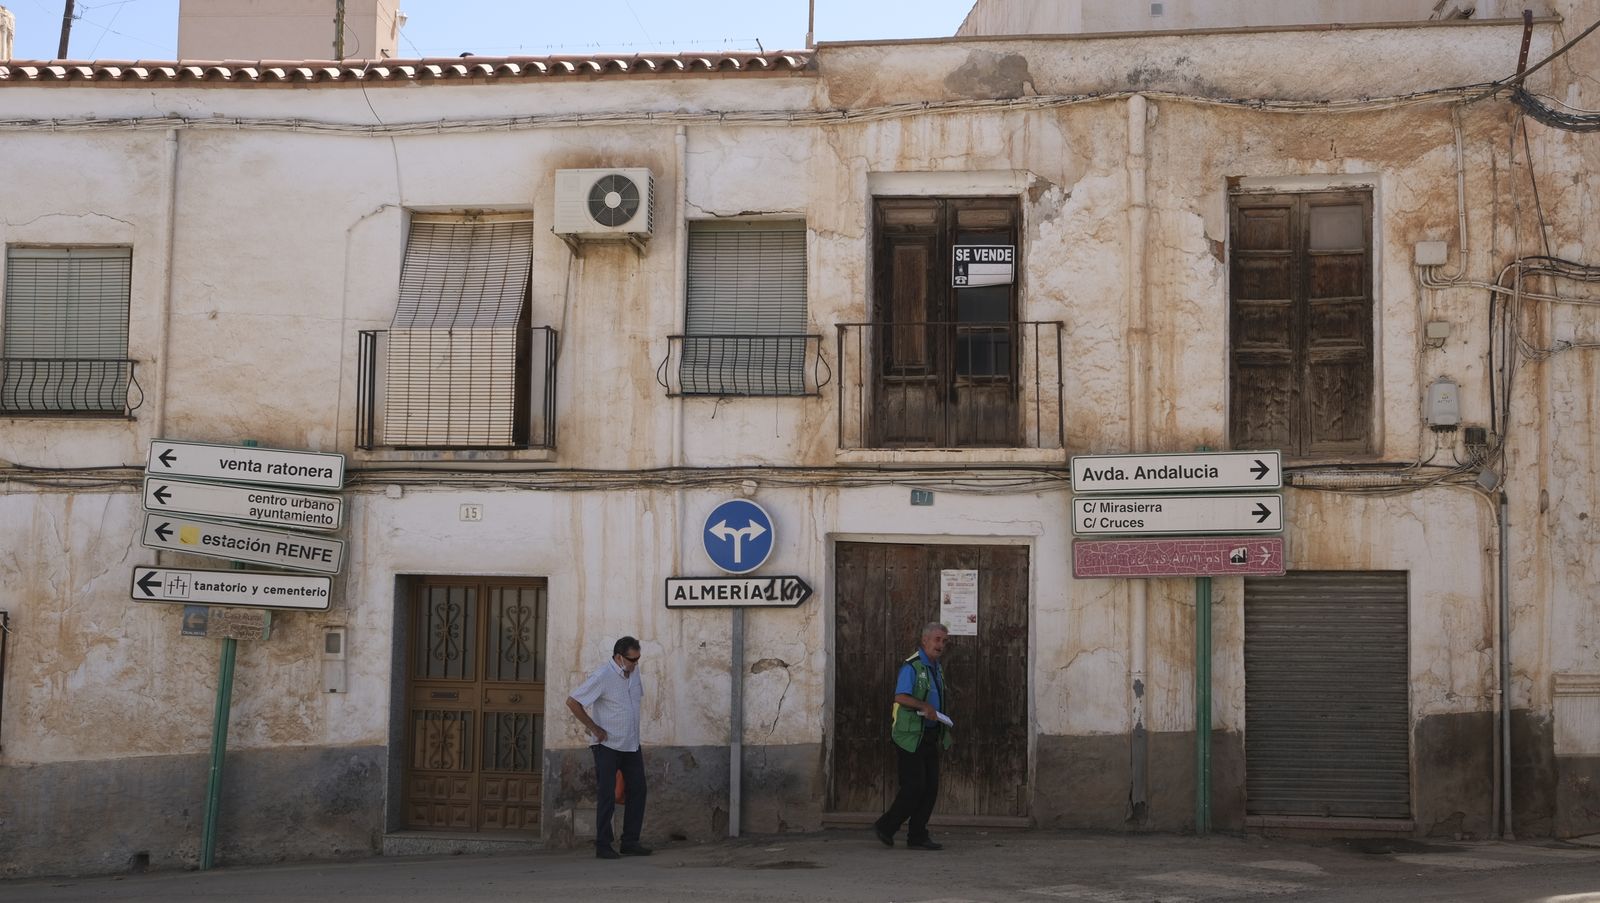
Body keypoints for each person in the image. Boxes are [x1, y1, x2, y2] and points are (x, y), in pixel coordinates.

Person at [566, 635, 651, 859]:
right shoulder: (602, 676)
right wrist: (594, 728)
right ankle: (603, 844)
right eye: (632, 660)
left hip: (631, 744)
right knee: (606, 794)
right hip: (608, 746)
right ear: (618, 657)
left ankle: (630, 841)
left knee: (638, 790)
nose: (636, 663)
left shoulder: (634, 673)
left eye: (638, 659)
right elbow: (573, 702)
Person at [872, 621, 951, 851]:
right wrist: (924, 706)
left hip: (929, 734)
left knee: (931, 787)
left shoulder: (936, 667)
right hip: (909, 736)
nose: (941, 645)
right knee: (914, 787)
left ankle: (917, 835)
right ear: (925, 640)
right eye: (937, 639)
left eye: (944, 641)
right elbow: (901, 697)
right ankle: (886, 827)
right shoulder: (912, 666)